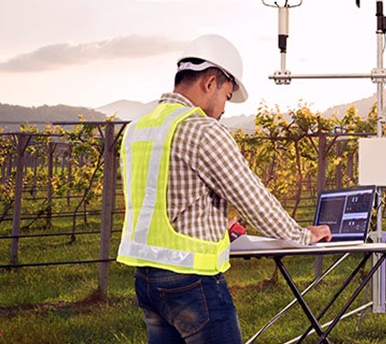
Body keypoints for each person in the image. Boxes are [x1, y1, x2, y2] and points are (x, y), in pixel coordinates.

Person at [117, 34, 331, 343]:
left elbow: (160, 197)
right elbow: (254, 200)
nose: (224, 108)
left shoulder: (138, 128)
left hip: (147, 280)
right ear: (210, 82)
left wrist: (218, 223)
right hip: (191, 281)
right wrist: (302, 236)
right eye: (227, 96)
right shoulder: (202, 129)